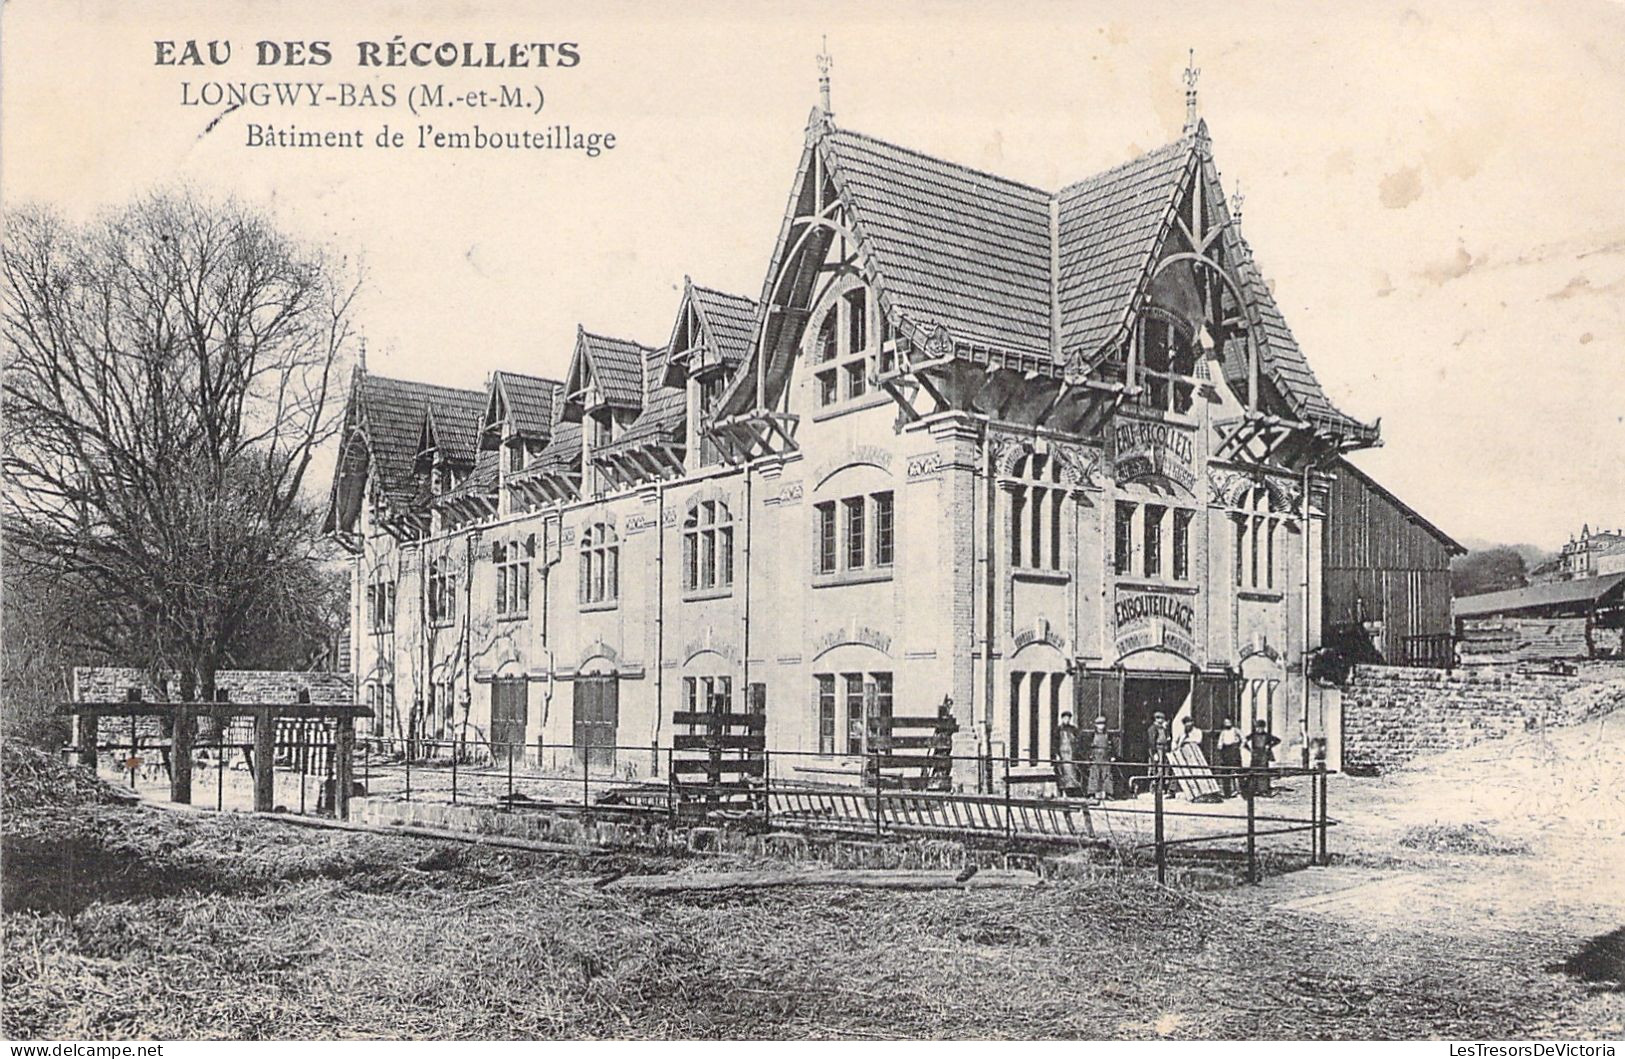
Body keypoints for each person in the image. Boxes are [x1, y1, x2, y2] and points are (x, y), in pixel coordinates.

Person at [1245, 719, 1281, 798]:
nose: (1258, 729)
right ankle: (1253, 789)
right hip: (1255, 754)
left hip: (1264, 754)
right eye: (1257, 727)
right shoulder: (1253, 735)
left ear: (1263, 728)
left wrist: (1269, 746)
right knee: (1253, 770)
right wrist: (1249, 749)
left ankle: (1263, 790)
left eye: (1260, 728)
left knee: (1263, 771)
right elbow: (1244, 741)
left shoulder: (1267, 735)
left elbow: (1278, 740)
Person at [1051, 710, 1083, 797]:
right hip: (1062, 755)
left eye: (1068, 718)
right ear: (1062, 719)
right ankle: (1064, 792)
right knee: (1063, 774)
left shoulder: (1073, 729)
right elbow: (1054, 743)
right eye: (1065, 718)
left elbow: (1078, 741)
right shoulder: (1058, 730)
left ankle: (1073, 792)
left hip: (1071, 755)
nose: (1067, 720)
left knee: (1073, 775)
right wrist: (1056, 754)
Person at [1084, 716, 1115, 803]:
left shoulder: (1108, 735)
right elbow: (1088, 747)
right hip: (1095, 757)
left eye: (1102, 724)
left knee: (1107, 775)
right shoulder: (1092, 735)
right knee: (1094, 775)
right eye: (1099, 724)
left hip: (1105, 757)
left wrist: (1112, 756)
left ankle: (1109, 793)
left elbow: (1112, 747)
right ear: (1096, 725)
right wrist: (1089, 757)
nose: (1101, 726)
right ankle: (1091, 794)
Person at [1144, 711, 1172, 797]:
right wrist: (1154, 752)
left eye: (1162, 719)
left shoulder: (1164, 728)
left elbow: (1168, 738)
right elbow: (1151, 741)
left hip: (1164, 749)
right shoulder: (1152, 728)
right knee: (1156, 768)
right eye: (1159, 718)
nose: (1161, 720)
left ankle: (1164, 787)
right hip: (1157, 748)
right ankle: (1154, 788)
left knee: (1165, 768)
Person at [1216, 717, 1245, 797]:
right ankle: (1227, 793)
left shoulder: (1236, 730)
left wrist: (1240, 747)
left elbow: (1243, 739)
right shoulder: (1223, 732)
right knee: (1226, 772)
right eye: (1225, 722)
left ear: (1231, 722)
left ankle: (1242, 791)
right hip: (1226, 752)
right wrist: (1220, 747)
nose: (1227, 724)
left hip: (1234, 751)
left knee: (1238, 771)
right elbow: (1220, 742)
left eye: (1228, 722)